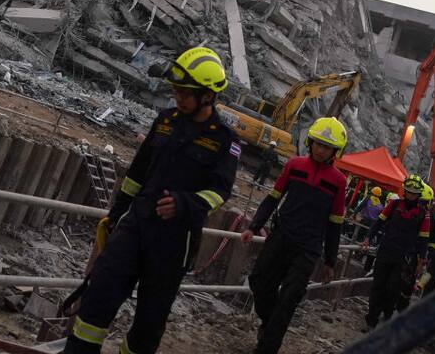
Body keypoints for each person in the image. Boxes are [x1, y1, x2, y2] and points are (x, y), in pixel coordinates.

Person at [64, 47, 240, 354]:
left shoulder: (225, 139)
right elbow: (137, 173)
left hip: (175, 240)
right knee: (99, 295)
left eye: (185, 93)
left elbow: (221, 191)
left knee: (150, 321)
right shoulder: (165, 120)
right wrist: (116, 214)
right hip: (136, 224)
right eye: (176, 91)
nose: (178, 98)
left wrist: (185, 203)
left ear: (207, 96)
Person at [240, 117, 349, 354]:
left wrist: (330, 261)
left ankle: (267, 347)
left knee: (289, 298)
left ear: (335, 151)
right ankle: (269, 324)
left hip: (308, 248)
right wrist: (253, 226)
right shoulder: (294, 165)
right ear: (310, 142)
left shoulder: (339, 182)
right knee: (258, 281)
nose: (320, 149)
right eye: (317, 143)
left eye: (326, 146)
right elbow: (273, 198)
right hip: (280, 237)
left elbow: (335, 224)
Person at [363, 174, 430, 330]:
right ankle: (371, 319)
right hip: (386, 251)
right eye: (408, 191)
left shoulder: (423, 214)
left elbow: (424, 239)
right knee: (378, 285)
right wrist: (367, 238)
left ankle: (387, 314)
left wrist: (421, 261)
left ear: (419, 194)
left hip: (405, 258)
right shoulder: (394, 205)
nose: (410, 195)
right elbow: (379, 223)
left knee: (393, 288)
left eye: (414, 192)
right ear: (404, 191)